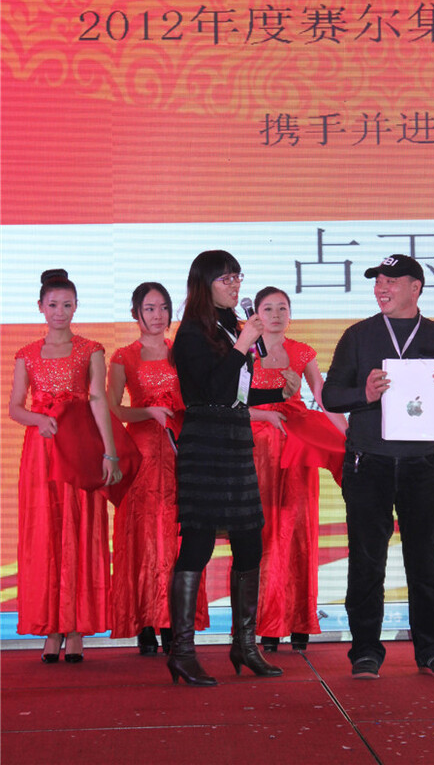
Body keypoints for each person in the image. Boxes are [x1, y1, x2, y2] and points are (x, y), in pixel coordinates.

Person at [322, 254, 434, 679]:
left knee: (425, 561)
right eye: (378, 282)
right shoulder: (358, 335)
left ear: (415, 287)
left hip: (421, 465)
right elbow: (331, 396)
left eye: (390, 281)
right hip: (368, 463)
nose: (381, 288)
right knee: (366, 561)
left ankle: (432, 650)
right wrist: (364, 394)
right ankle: (365, 651)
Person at [169, 251, 300, 686]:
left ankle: (245, 645)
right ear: (204, 283)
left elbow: (236, 394)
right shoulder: (191, 333)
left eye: (237, 277)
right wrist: (243, 345)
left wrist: (276, 393)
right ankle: (182, 652)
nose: (235, 285)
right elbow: (210, 391)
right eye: (226, 279)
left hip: (235, 441)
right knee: (198, 544)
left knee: (249, 541)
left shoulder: (229, 325)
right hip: (205, 445)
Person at [9, 269, 122, 663]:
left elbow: (98, 400)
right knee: (45, 533)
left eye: (67, 304)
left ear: (76, 307)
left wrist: (110, 452)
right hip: (40, 453)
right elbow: (15, 408)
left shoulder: (91, 349)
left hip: (79, 447)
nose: (60, 311)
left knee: (80, 530)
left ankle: (75, 629)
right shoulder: (26, 354)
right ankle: (51, 629)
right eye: (53, 304)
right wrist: (38, 419)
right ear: (40, 307)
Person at [107, 283, 209, 656]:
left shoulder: (182, 352)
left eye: (163, 307)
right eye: (149, 308)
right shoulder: (124, 357)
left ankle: (174, 621)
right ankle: (146, 622)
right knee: (143, 536)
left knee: (178, 535)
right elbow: (114, 409)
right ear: (135, 313)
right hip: (142, 455)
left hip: (181, 453)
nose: (157, 315)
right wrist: (148, 412)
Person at [248, 287, 347, 652]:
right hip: (257, 451)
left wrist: (349, 436)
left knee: (300, 532)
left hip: (297, 448)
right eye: (268, 308)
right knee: (264, 534)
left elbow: (324, 397)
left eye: (282, 308)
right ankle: (267, 625)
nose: (276, 315)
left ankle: (300, 621)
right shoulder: (243, 353)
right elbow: (231, 403)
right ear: (256, 314)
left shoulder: (302, 352)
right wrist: (262, 416)